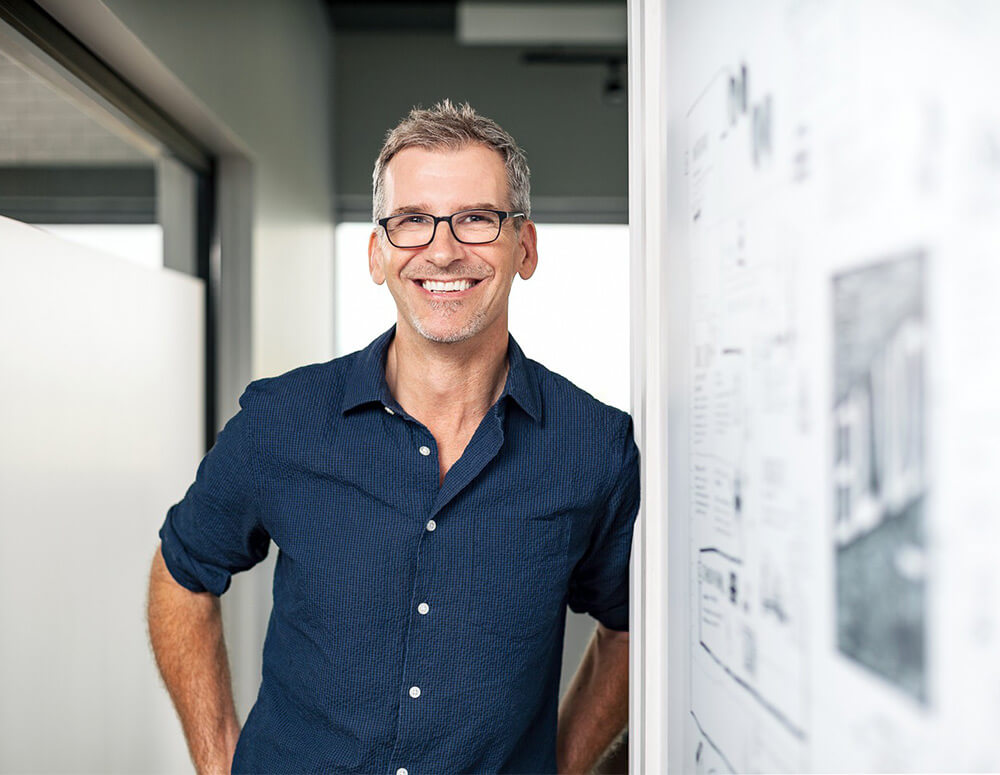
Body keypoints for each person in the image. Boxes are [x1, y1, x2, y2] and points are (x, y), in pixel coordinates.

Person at [148, 100, 639, 775]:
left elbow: (627, 629)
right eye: (412, 221)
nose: (442, 248)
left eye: (476, 218)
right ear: (378, 254)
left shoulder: (596, 447)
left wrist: (563, 762)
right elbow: (181, 573)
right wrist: (216, 758)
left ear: (524, 248)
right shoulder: (282, 419)